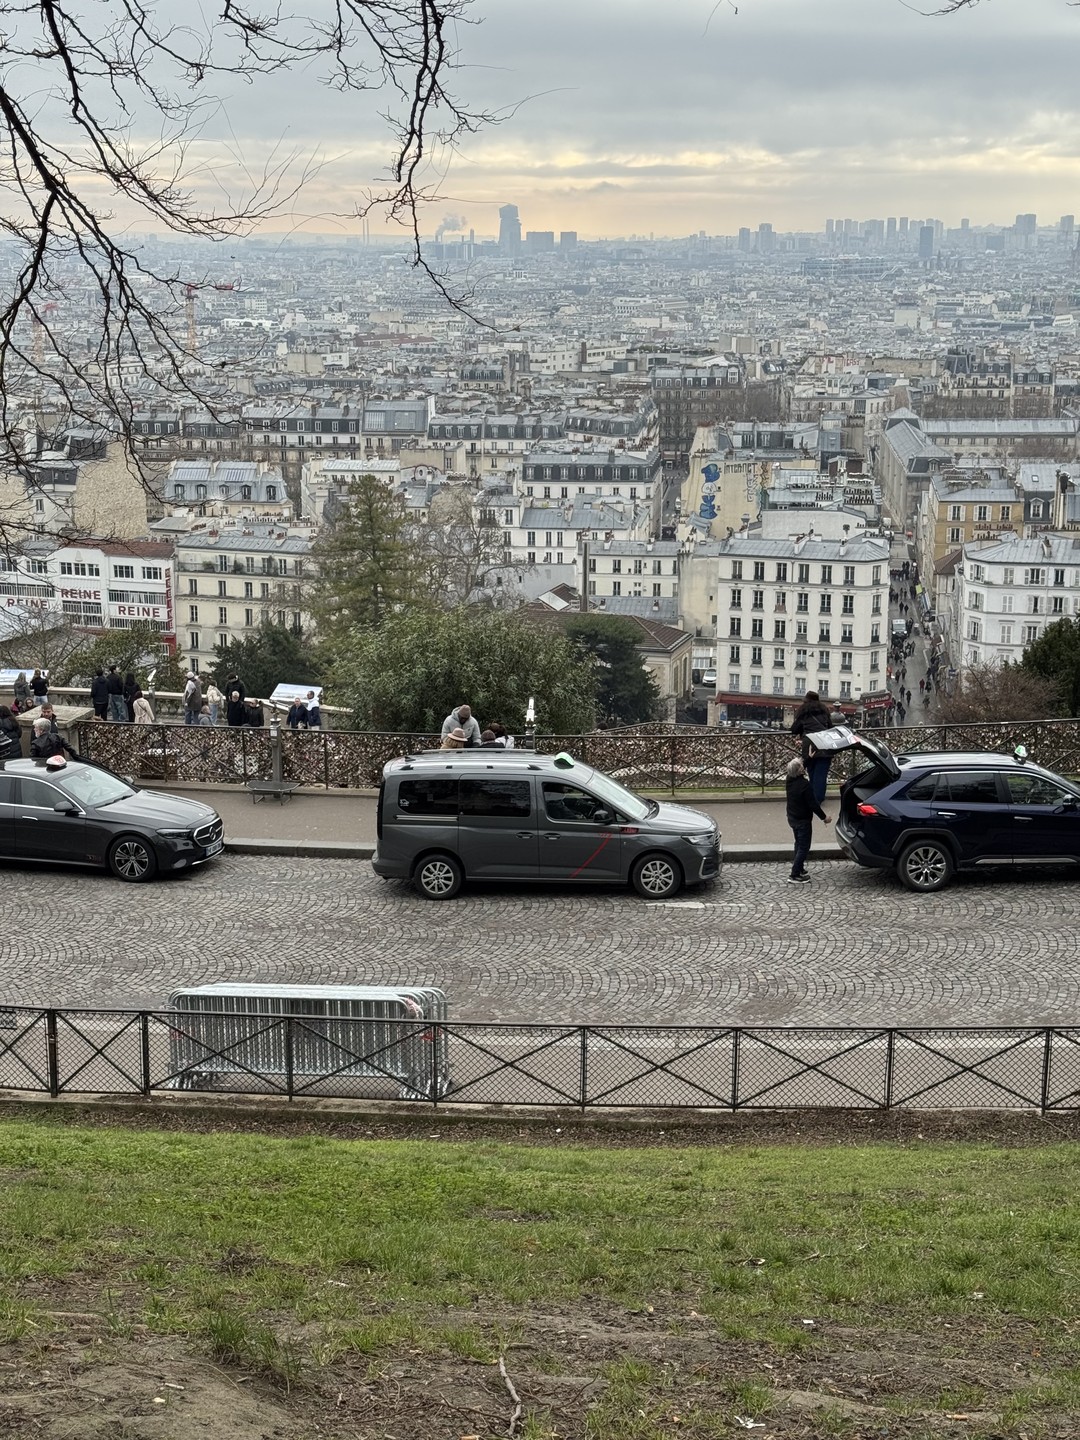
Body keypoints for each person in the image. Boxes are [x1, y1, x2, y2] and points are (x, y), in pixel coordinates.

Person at [785, 756, 830, 884]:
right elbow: (813, 804)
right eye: (801, 766)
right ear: (799, 771)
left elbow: (799, 766)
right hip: (803, 819)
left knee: (798, 843)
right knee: (804, 847)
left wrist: (809, 758)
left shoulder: (789, 780)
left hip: (792, 817)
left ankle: (799, 868)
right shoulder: (805, 785)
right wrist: (824, 818)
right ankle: (794, 874)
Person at [790, 690, 834, 805]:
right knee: (822, 773)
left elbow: (794, 729)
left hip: (809, 745)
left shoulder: (803, 713)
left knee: (812, 771)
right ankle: (818, 797)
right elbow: (830, 727)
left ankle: (813, 797)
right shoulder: (824, 712)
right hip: (824, 744)